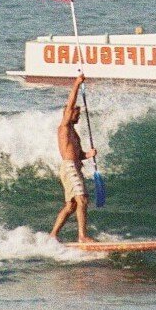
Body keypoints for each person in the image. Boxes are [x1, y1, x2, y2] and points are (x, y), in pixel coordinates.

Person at [50, 73, 97, 242]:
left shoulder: (73, 133)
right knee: (82, 199)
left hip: (74, 167)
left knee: (72, 205)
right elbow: (70, 105)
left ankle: (53, 235)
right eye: (76, 114)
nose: (78, 116)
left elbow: (78, 154)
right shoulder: (64, 126)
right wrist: (77, 83)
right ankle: (82, 236)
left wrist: (87, 155)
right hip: (69, 167)